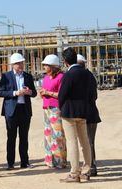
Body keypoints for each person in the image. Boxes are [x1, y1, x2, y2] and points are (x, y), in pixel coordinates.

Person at [0, 53, 37, 170]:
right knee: (11, 137)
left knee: (24, 137)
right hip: (11, 111)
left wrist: (29, 92)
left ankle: (24, 162)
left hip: (24, 110)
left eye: (21, 63)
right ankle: (10, 163)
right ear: (13, 65)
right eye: (18, 63)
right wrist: (15, 93)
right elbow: (1, 92)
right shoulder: (6, 76)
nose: (20, 65)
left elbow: (34, 93)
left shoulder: (28, 76)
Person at [59, 48, 91, 183]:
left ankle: (74, 173)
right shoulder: (87, 74)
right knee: (85, 141)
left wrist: (61, 107)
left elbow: (62, 95)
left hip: (69, 112)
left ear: (65, 61)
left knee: (72, 142)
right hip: (83, 111)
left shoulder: (68, 75)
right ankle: (86, 170)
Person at [39, 54, 67, 169]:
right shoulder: (45, 78)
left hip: (56, 109)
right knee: (48, 135)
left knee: (58, 135)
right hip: (46, 108)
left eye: (46, 65)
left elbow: (61, 94)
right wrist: (42, 93)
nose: (44, 67)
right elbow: (44, 93)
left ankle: (60, 161)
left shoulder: (61, 77)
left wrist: (48, 93)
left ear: (53, 66)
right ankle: (49, 160)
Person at [77, 54, 102, 176]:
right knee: (89, 141)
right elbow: (95, 96)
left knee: (87, 142)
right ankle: (91, 165)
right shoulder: (90, 76)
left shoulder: (82, 76)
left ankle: (91, 167)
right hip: (91, 113)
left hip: (86, 114)